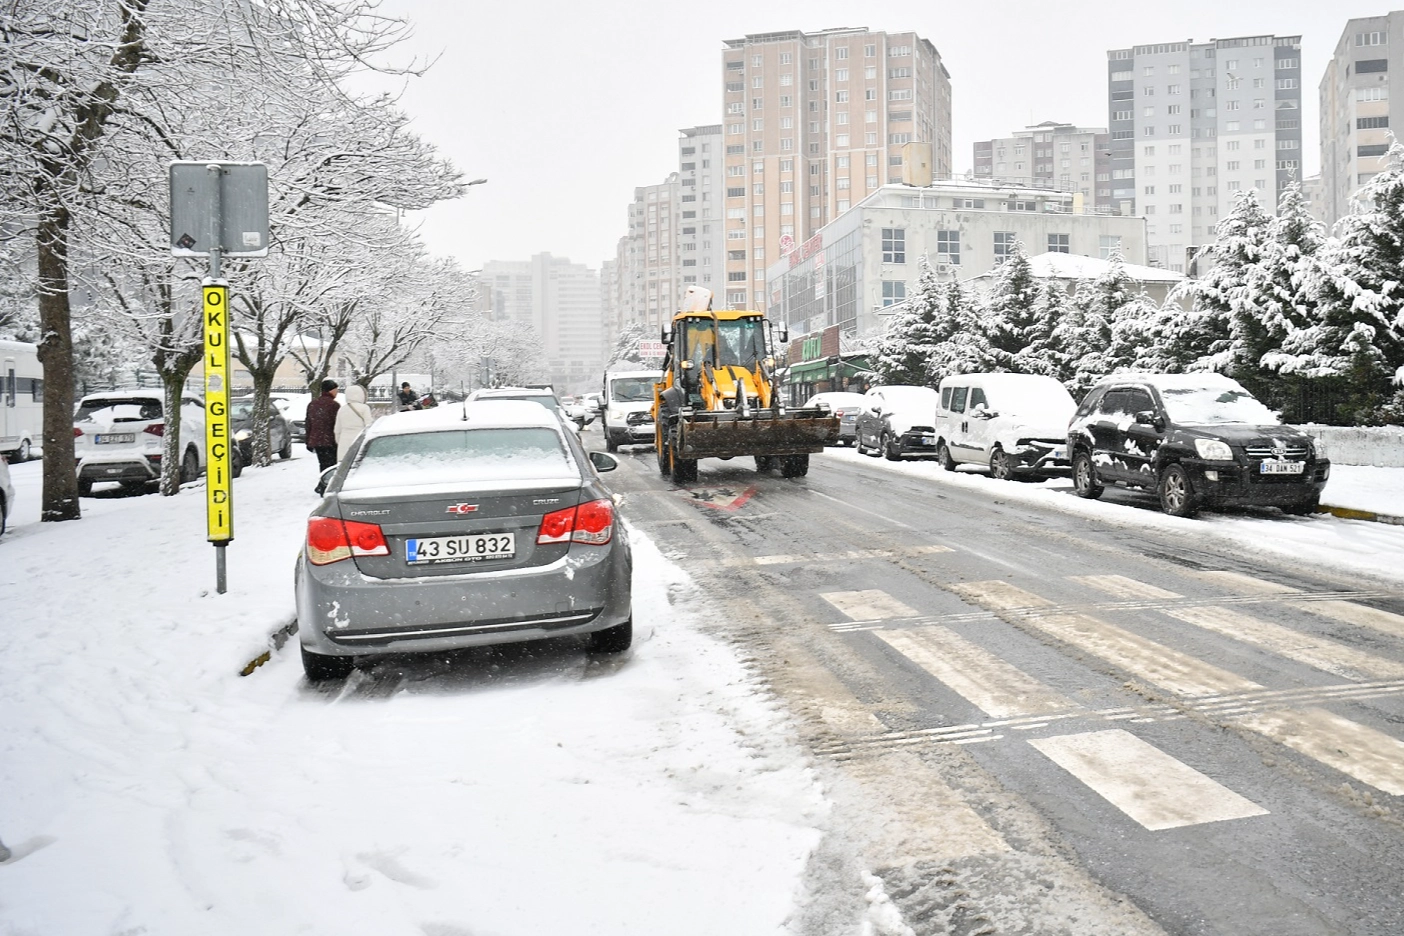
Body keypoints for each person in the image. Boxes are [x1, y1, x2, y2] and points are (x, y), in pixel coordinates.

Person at [305, 379, 340, 471]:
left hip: (317, 441)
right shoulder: (334, 405)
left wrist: (308, 440)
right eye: (336, 390)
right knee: (332, 466)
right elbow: (337, 424)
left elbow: (308, 424)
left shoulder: (312, 404)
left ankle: (323, 481)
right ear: (331, 390)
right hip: (330, 441)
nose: (337, 392)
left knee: (323, 464)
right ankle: (327, 483)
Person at [335, 383, 375, 460]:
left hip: (344, 440)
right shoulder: (364, 408)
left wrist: (339, 441)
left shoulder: (342, 409)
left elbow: (337, 430)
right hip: (359, 439)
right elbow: (368, 425)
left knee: (344, 463)